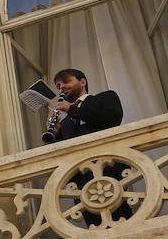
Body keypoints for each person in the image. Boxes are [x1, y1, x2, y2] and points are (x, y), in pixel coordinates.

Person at [49, 68, 129, 226]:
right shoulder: (66, 122)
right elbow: (63, 153)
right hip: (81, 181)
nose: (62, 87)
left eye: (66, 81)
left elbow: (111, 118)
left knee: (122, 217)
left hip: (108, 169)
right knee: (94, 225)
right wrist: (56, 134)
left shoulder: (105, 97)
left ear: (82, 81)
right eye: (58, 86)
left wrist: (71, 109)